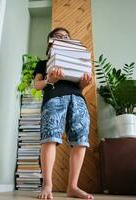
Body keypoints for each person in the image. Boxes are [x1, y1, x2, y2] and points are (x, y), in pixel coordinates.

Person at [33, 27, 94, 199]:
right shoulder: (43, 63)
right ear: (50, 42)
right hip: (54, 98)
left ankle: (72, 187)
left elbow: (80, 86)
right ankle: (47, 185)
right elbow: (36, 85)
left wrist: (84, 83)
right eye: (58, 36)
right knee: (50, 137)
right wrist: (49, 80)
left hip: (77, 99)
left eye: (66, 36)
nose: (63, 38)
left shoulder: (77, 61)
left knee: (81, 140)